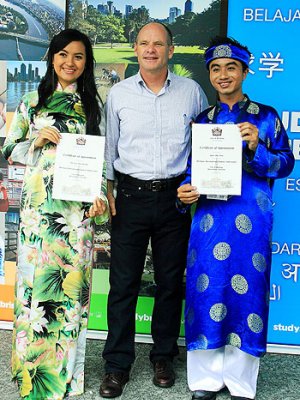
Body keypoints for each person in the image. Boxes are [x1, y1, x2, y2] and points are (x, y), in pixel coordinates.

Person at [177, 36, 295, 400]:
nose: (223, 75)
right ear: (209, 74)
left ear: (245, 71)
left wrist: (258, 146)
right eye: (216, 68)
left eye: (231, 67)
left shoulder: (267, 117)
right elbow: (189, 171)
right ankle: (206, 380)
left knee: (247, 295)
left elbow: (285, 164)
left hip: (251, 223)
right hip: (210, 221)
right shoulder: (202, 121)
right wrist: (184, 193)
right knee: (206, 289)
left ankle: (241, 381)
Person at [100, 22, 208, 398]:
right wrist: (109, 192)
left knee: (168, 282)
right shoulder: (120, 94)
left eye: (158, 44)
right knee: (123, 284)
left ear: (170, 50)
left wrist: (197, 183)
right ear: (135, 48)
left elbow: (203, 145)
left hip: (174, 199)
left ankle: (163, 355)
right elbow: (109, 149)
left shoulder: (191, 92)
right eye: (144, 43)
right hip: (129, 198)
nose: (151, 50)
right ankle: (117, 364)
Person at [2, 28, 108, 400]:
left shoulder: (93, 105)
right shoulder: (32, 101)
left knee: (69, 295)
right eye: (63, 54)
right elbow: (10, 151)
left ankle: (66, 378)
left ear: (86, 62)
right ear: (51, 57)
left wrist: (100, 200)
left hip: (76, 220)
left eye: (78, 56)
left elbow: (102, 163)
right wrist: (36, 139)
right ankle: (31, 376)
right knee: (34, 294)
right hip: (38, 218)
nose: (70, 62)